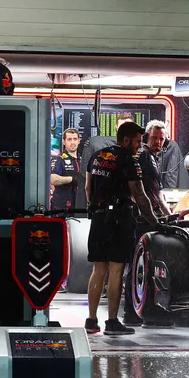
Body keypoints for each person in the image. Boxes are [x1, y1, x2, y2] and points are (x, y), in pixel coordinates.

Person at [84, 121, 158, 336]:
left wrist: (96, 209)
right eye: (137, 141)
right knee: (116, 270)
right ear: (125, 140)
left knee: (98, 270)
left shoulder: (97, 156)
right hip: (119, 219)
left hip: (98, 218)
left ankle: (91, 321)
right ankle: (112, 322)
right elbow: (140, 195)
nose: (139, 145)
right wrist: (154, 221)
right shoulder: (129, 160)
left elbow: (88, 188)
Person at [121, 120, 173, 327]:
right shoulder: (142, 157)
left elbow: (157, 194)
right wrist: (149, 216)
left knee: (145, 266)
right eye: (154, 138)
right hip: (141, 219)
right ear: (146, 139)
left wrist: (169, 215)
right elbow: (137, 191)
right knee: (139, 266)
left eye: (161, 139)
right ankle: (133, 312)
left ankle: (140, 313)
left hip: (151, 217)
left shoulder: (154, 159)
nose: (158, 142)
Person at [50, 128, 81, 210]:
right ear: (64, 142)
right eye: (69, 139)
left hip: (79, 205)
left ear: (79, 141)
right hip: (62, 206)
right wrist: (72, 179)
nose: (72, 142)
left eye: (75, 139)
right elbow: (52, 179)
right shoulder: (59, 159)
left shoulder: (82, 160)